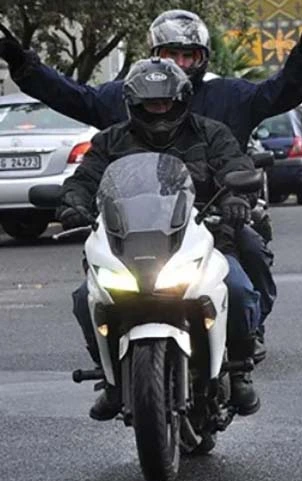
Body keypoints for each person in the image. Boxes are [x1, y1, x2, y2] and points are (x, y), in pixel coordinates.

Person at [0, 9, 302, 352]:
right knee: (88, 294)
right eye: (172, 54)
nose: (181, 65)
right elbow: (72, 99)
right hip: (134, 226)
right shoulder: (117, 111)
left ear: (203, 58)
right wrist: (25, 66)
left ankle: (246, 337)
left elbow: (279, 93)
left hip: (212, 219)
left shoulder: (227, 100)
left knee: (249, 256)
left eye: (190, 56)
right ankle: (107, 360)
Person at [57, 58, 264, 420]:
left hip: (203, 236)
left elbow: (236, 166)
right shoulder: (110, 140)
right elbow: (84, 179)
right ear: (134, 105)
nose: (159, 111)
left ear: (182, 101)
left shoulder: (210, 133)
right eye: (150, 105)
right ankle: (110, 379)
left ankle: (239, 372)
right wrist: (72, 204)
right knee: (83, 298)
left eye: (166, 103)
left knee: (239, 288)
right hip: (127, 242)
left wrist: (235, 198)